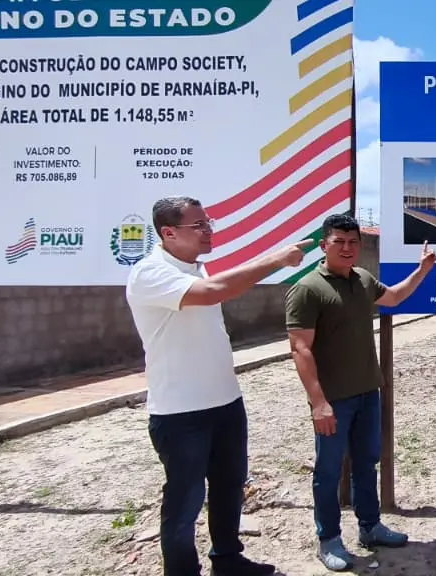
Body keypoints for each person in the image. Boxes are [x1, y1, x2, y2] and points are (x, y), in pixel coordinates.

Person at [125, 195, 313, 576]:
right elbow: (213, 292)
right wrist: (276, 260)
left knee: (229, 487)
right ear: (168, 233)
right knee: (185, 501)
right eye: (199, 225)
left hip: (225, 403)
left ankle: (227, 560)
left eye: (208, 223)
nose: (208, 231)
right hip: (181, 413)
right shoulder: (150, 273)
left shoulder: (197, 268)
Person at [283, 213, 436, 572]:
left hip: (368, 392)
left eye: (353, 242)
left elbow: (394, 297)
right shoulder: (307, 289)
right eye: (339, 242)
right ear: (324, 245)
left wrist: (423, 270)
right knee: (328, 471)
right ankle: (329, 539)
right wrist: (318, 403)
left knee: (366, 463)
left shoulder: (363, 279)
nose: (347, 248)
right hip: (333, 400)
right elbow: (299, 349)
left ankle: (370, 527)